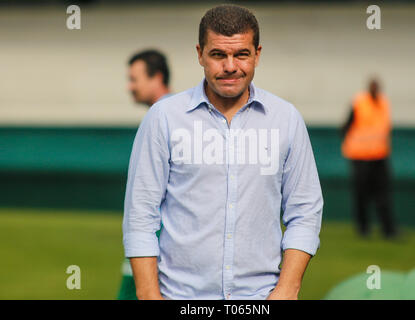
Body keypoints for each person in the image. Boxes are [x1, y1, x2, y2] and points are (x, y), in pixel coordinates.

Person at [123, 4, 323, 300]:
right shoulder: (163, 118)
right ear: (200, 54)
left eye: (241, 54)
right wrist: (149, 295)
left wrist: (288, 289)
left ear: (257, 54)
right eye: (218, 54)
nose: (230, 66)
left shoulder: (286, 119)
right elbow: (140, 214)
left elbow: (305, 211)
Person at [117, 49, 171, 300]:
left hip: (159, 248)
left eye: (134, 79)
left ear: (156, 77)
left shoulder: (168, 119)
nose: (130, 86)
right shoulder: (163, 116)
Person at [341, 78, 398, 239]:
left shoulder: (384, 103)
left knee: (383, 195)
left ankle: (388, 230)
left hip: (379, 156)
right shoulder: (359, 102)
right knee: (361, 195)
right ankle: (363, 229)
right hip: (360, 157)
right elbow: (346, 126)